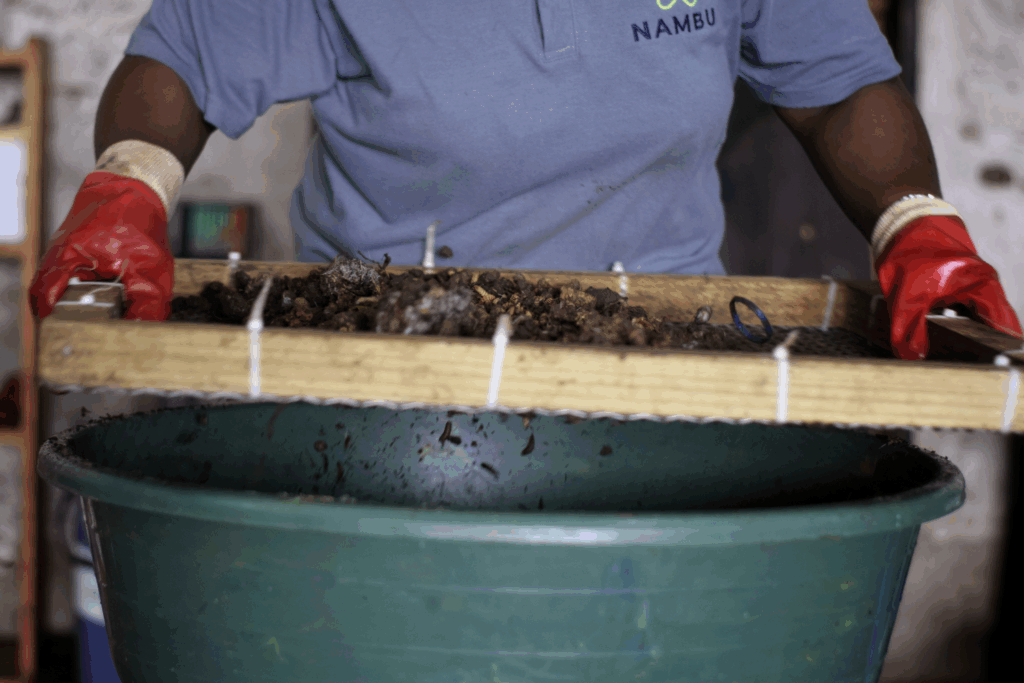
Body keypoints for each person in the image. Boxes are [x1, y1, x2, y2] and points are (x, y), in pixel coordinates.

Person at [29, 0, 1021, 360]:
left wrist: (919, 227)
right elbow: (182, 62)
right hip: (378, 347)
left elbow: (837, 84)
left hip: (663, 346)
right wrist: (128, 190)